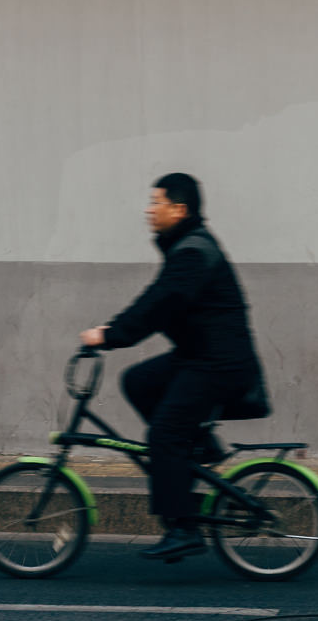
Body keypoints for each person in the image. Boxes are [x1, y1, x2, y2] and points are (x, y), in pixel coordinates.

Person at [80, 172, 267, 563]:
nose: (149, 211)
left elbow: (158, 304)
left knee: (164, 432)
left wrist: (110, 335)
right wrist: (114, 331)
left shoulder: (193, 252)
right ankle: (196, 448)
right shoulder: (185, 247)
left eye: (156, 202)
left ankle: (183, 526)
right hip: (201, 356)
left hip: (220, 364)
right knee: (138, 380)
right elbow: (156, 301)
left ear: (179, 209)